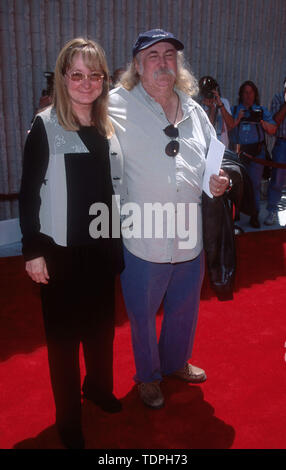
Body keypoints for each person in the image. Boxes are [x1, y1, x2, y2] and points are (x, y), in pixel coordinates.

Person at [108, 29, 231, 409]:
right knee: (142, 313)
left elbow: (215, 160)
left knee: (183, 308)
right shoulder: (115, 105)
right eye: (153, 55)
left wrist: (220, 180)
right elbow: (77, 125)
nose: (163, 62)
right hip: (142, 234)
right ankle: (147, 376)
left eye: (169, 55)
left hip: (188, 234)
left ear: (177, 64)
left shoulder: (195, 111)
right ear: (138, 65)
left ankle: (176, 362)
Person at [19, 38, 124, 449]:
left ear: (103, 79)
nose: (86, 83)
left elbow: (115, 187)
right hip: (59, 252)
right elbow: (29, 194)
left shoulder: (108, 126)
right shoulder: (45, 126)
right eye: (77, 74)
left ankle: (97, 387)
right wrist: (32, 250)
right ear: (63, 78)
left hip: (102, 248)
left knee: (101, 332)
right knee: (64, 342)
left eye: (94, 75)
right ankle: (68, 418)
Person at [230, 81, 276, 228]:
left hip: (257, 154)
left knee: (255, 186)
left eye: (251, 92)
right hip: (239, 152)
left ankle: (254, 215)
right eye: (245, 92)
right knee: (237, 184)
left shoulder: (261, 111)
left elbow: (273, 130)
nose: (248, 95)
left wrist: (262, 122)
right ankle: (235, 212)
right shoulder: (235, 109)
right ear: (240, 95)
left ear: (255, 95)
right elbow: (227, 127)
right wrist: (238, 118)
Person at [264, 77, 286, 225]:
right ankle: (272, 211)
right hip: (282, 143)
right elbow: (274, 123)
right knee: (277, 180)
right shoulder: (278, 98)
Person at [198, 76, 235, 149]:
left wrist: (220, 105)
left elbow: (231, 124)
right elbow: (207, 129)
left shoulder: (223, 102)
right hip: (206, 146)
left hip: (221, 145)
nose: (209, 95)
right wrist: (212, 108)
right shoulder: (200, 105)